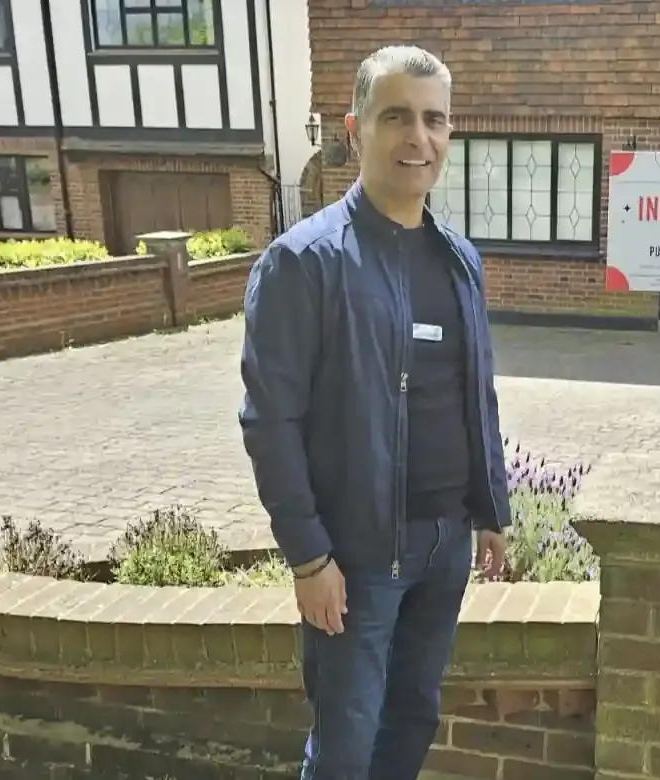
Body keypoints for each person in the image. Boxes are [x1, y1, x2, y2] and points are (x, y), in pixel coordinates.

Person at [238, 45, 511, 780]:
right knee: (346, 746)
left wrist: (490, 507)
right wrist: (309, 557)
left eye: (434, 120)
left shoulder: (459, 260)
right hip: (356, 560)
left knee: (412, 722)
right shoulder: (304, 263)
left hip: (445, 547)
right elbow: (269, 422)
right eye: (397, 117)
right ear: (355, 129)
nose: (418, 137)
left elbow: (475, 391)